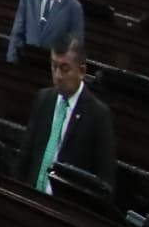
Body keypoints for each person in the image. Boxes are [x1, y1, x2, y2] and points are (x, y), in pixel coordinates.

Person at [12, 37, 115, 202]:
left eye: (65, 69)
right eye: (54, 67)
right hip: (31, 200)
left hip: (66, 209)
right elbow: (25, 155)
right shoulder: (43, 99)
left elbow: (105, 181)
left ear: (81, 71)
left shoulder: (98, 115)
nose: (58, 76)